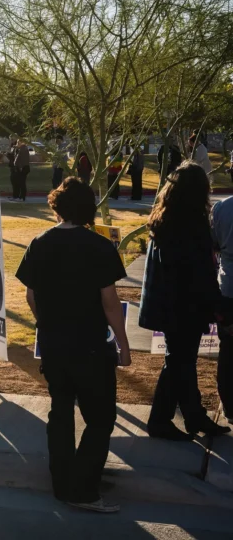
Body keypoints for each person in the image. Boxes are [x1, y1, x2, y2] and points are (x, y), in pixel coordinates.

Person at [16, 178, 130, 513]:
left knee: (61, 413)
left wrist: (45, 324)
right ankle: (83, 487)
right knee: (100, 418)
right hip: (91, 347)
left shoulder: (40, 242)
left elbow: (31, 294)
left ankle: (64, 482)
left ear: (57, 206)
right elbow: (110, 303)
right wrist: (123, 344)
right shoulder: (98, 246)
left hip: (54, 345)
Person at [139, 162, 231, 440]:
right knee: (179, 362)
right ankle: (167, 420)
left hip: (168, 304)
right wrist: (220, 306)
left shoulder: (165, 221)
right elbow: (201, 273)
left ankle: (190, 416)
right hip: (185, 307)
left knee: (179, 361)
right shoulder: (192, 226)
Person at [212, 196, 233, 422]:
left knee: (228, 350)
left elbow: (214, 243)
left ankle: (230, 404)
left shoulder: (222, 208)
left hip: (229, 288)